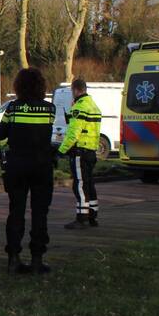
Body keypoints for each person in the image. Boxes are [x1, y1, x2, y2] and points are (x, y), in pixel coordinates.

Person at [0, 68, 56, 275]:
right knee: (40, 214)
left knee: (16, 212)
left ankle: (13, 258)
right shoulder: (50, 109)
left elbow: (0, 135)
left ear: (19, 86)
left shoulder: (12, 109)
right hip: (42, 166)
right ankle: (37, 260)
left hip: (17, 166)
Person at [57, 78, 102, 230]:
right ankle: (92, 215)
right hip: (91, 150)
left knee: (80, 185)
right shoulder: (93, 106)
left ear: (75, 90)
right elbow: (86, 128)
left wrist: (60, 150)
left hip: (80, 152)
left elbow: (73, 133)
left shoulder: (80, 107)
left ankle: (81, 218)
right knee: (89, 183)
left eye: (72, 91)